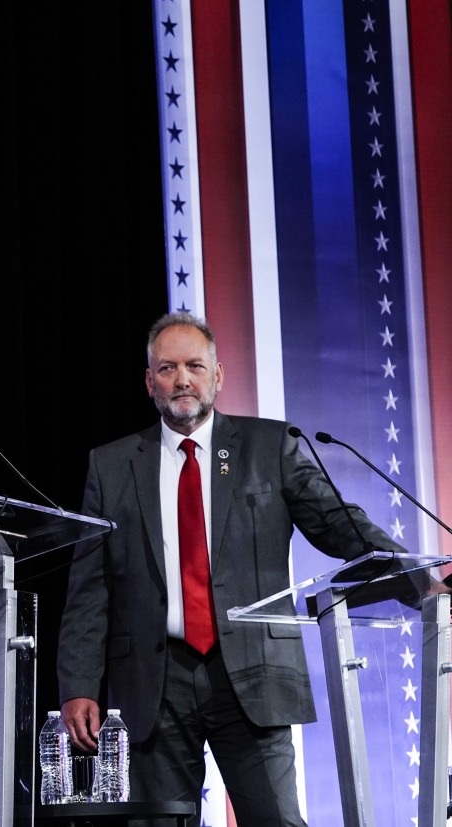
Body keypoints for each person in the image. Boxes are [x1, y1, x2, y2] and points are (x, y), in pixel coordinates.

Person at [56, 311, 406, 826]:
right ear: (148, 381)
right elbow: (89, 586)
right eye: (168, 368)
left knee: (277, 821)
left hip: (252, 673)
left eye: (195, 366)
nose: (182, 379)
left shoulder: (270, 447)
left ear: (217, 375)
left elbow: (338, 524)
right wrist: (79, 684)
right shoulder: (110, 465)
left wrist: (415, 576)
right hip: (154, 681)